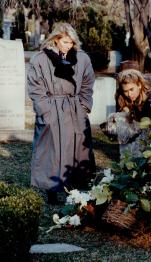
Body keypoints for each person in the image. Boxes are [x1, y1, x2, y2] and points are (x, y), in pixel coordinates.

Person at [27, 22, 95, 204]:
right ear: (56, 40)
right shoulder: (41, 59)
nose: (69, 45)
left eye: (71, 42)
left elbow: (88, 83)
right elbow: (35, 88)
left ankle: (74, 186)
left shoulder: (82, 58)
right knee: (52, 149)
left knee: (77, 148)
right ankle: (51, 189)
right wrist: (45, 111)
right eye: (65, 42)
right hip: (52, 109)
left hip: (75, 109)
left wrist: (84, 106)